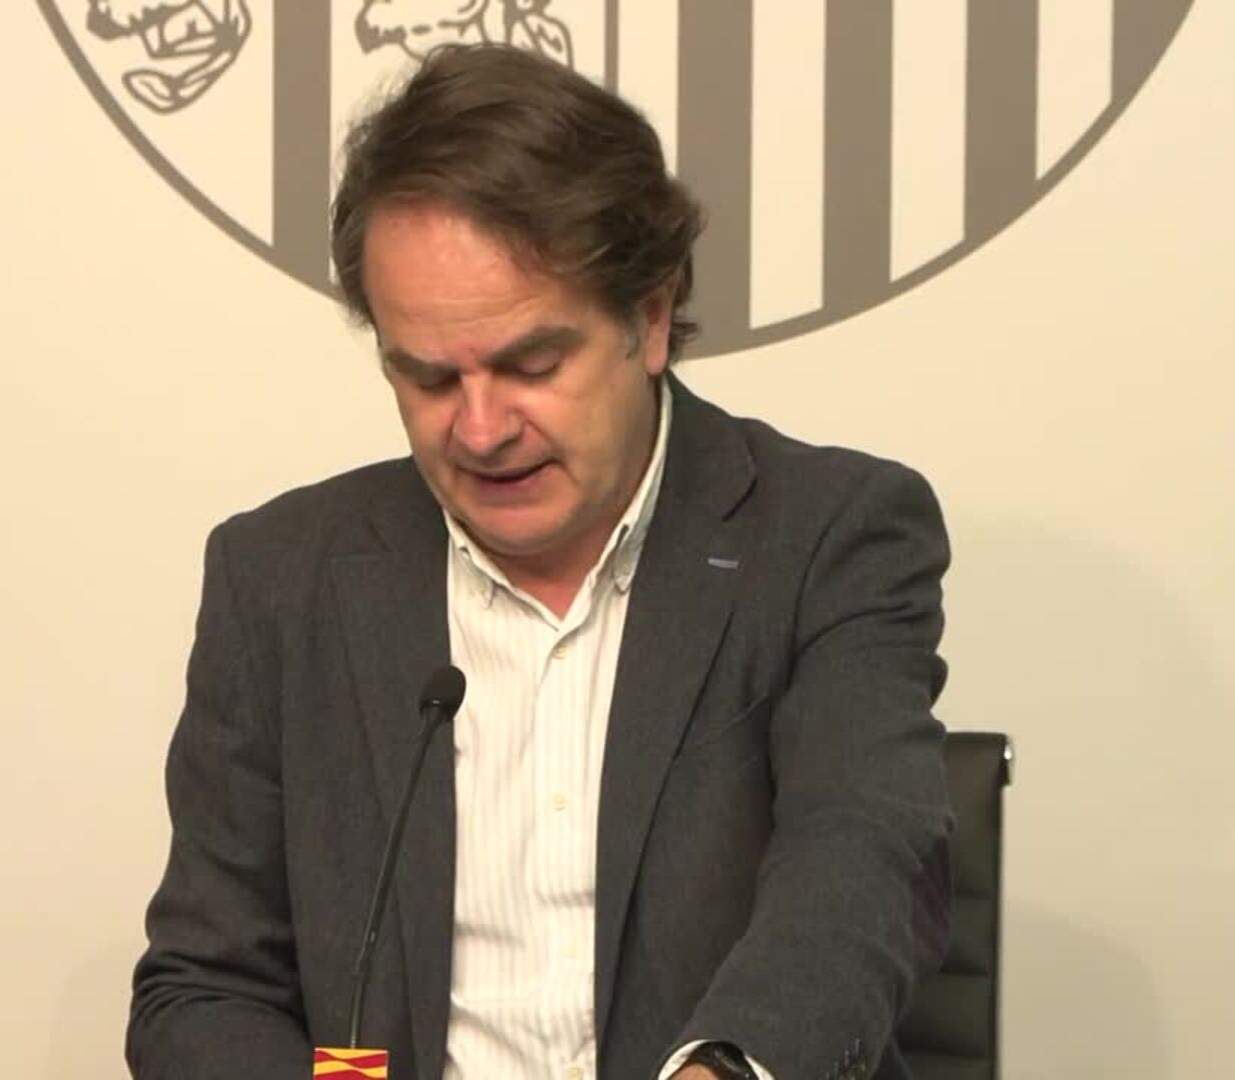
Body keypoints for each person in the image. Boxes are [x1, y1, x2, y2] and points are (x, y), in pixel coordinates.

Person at [127, 44, 953, 1080]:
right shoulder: (281, 579)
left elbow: (862, 867)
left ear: (650, 317)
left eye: (530, 364)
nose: (479, 430)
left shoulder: (830, 536)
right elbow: (206, 988)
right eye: (429, 378)